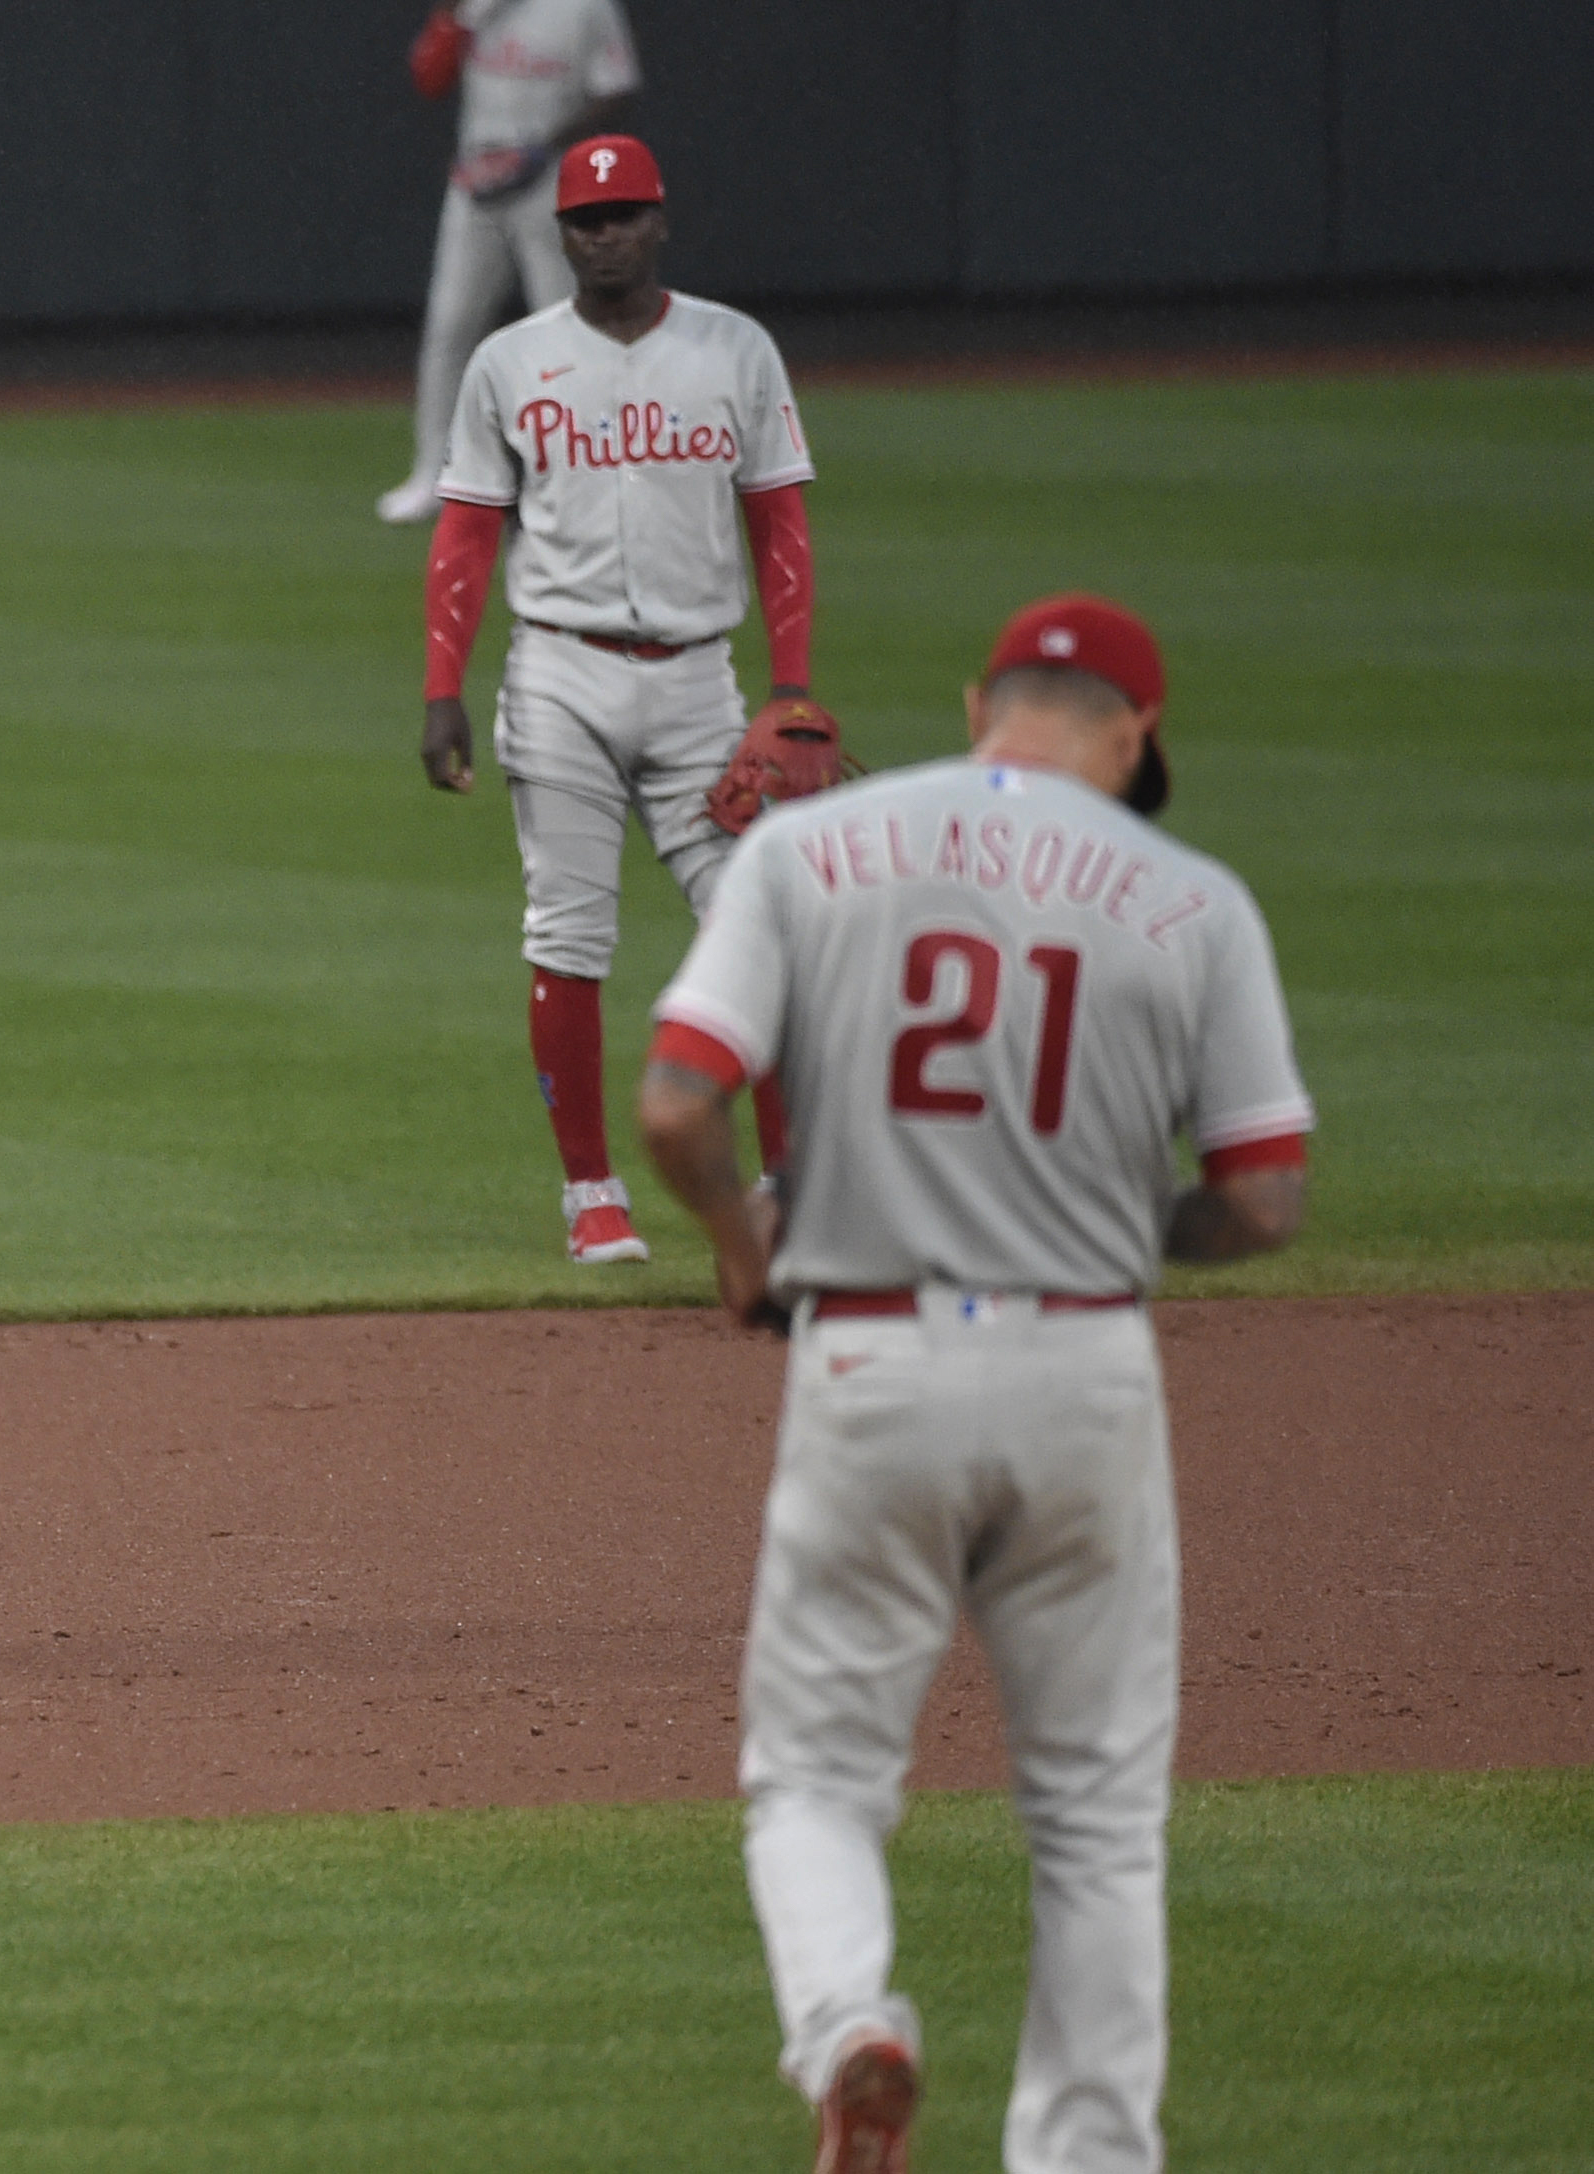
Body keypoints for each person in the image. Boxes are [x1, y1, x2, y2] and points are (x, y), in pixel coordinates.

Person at [635, 596, 1313, 2172]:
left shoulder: (813, 852)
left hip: (870, 1352)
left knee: (814, 1773)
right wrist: (1104, 1220)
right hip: (1084, 1367)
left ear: (975, 704)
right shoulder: (1193, 897)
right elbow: (1264, 1200)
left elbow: (676, 1106)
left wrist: (744, 1251)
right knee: (1092, 1816)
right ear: (1135, 737)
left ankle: (849, 2025)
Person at [418, 133, 815, 1263]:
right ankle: (591, 1191)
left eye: (626, 214)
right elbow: (464, 534)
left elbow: (780, 522)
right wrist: (443, 689)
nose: (607, 234)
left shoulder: (734, 349)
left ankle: (786, 1187)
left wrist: (789, 689)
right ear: (562, 234)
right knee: (569, 933)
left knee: (764, 927)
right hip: (560, 677)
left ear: (660, 220)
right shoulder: (509, 361)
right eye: (588, 219)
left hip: (701, 683)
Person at [380, 0, 641, 525]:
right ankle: (434, 472)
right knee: (451, 325)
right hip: (477, 180)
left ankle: (580, 474)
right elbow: (429, 78)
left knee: (565, 330)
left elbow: (616, 86)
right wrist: (451, 17)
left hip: (552, 178)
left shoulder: (585, 7)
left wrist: (545, 146)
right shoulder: (476, 6)